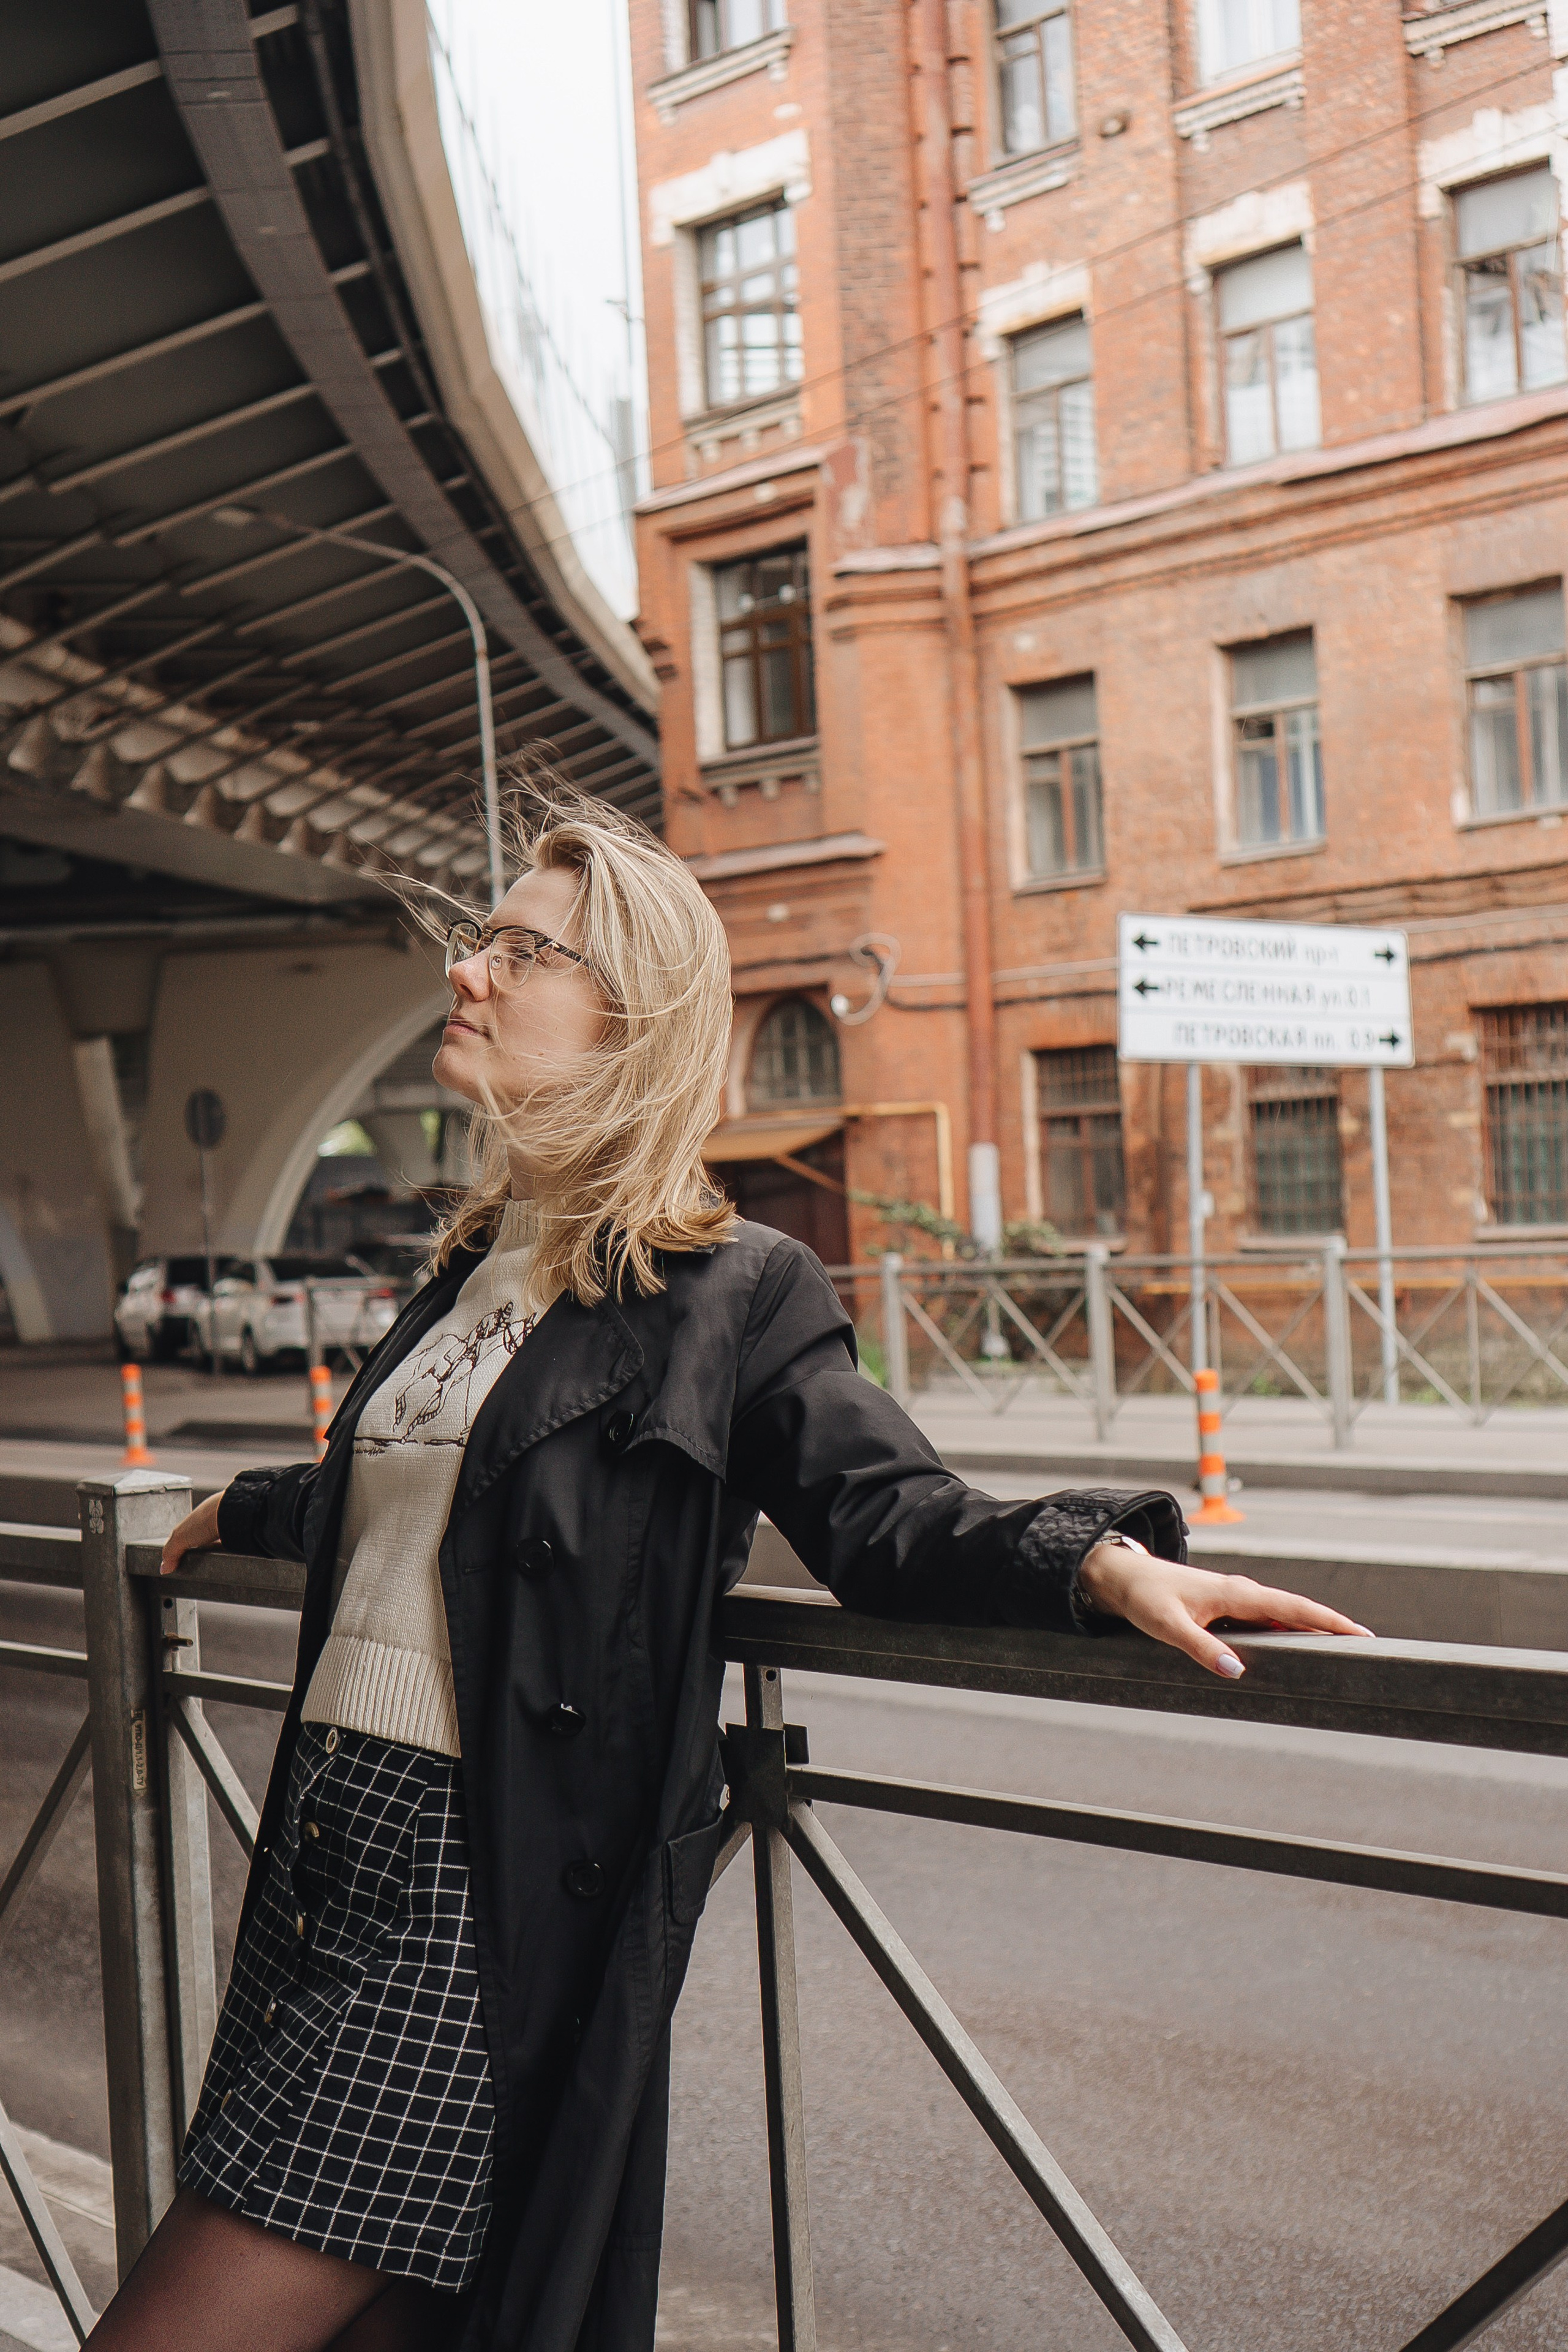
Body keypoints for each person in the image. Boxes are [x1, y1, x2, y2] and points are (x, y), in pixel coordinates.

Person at [86, 788, 1370, 2352]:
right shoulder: (469, 1268)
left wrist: (1092, 1561)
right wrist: (243, 1503)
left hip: (468, 1886)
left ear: (631, 1021)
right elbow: (435, 1504)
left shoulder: (727, 1288)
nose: (468, 972)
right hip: (325, 1848)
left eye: (516, 950)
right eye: (478, 941)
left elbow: (883, 1509)